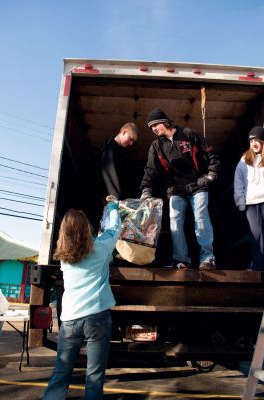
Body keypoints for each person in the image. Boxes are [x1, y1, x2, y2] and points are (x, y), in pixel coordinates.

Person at [43, 200, 121, 400]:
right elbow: (114, 229)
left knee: (61, 374)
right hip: (97, 317)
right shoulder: (101, 248)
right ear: (87, 228)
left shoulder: (63, 257)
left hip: (70, 320)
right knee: (94, 376)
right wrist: (113, 208)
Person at [140, 108, 220, 270]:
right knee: (175, 223)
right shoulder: (156, 146)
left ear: (165, 121)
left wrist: (211, 174)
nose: (154, 129)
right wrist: (146, 190)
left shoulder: (188, 134)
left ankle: (208, 258)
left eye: (156, 124)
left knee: (201, 219)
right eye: (151, 127)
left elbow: (211, 151)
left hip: (198, 185)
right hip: (175, 189)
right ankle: (181, 260)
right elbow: (150, 170)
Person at [234, 126, 264, 271]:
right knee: (255, 235)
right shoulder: (244, 160)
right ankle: (258, 265)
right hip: (251, 204)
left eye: (257, 140)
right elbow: (238, 182)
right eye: (252, 141)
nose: (254, 143)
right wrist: (240, 202)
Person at [101, 122, 139, 200]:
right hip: (115, 201)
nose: (131, 143)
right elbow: (111, 181)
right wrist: (118, 201)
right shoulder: (110, 151)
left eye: (133, 141)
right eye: (130, 139)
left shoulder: (124, 151)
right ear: (123, 132)